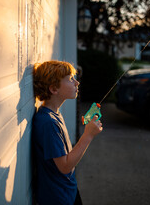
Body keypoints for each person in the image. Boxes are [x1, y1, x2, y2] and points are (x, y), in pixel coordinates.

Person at [32, 60, 103, 205]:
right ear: (54, 89)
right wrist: (88, 135)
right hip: (58, 197)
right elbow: (64, 166)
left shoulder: (54, 114)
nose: (77, 83)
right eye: (71, 79)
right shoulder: (48, 122)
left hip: (67, 190)